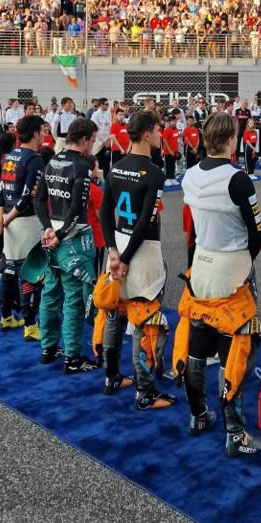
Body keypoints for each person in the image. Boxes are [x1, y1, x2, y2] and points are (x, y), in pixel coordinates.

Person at [177, 112, 261, 456]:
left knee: (199, 343)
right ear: (231, 140)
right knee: (237, 348)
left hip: (202, 264)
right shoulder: (238, 179)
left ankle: (198, 414)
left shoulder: (189, 176)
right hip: (233, 267)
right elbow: (256, 232)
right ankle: (235, 432)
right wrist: (245, 260)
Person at [99, 109, 175, 408]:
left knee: (115, 314)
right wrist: (128, 256)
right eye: (158, 131)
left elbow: (105, 212)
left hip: (117, 245)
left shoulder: (116, 167)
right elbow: (146, 221)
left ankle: (112, 376)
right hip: (141, 253)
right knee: (144, 321)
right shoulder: (155, 172)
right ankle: (144, 392)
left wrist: (113, 251)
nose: (161, 135)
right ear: (146, 133)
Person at [35, 118, 101, 372]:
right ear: (84, 140)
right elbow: (77, 209)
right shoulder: (82, 166)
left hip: (52, 235)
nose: (92, 147)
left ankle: (48, 347)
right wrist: (60, 234)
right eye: (93, 141)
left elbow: (39, 199)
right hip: (72, 239)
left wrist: (48, 228)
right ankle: (73, 357)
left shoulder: (52, 160)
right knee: (73, 297)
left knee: (50, 292)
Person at [0, 114, 46, 338]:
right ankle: (30, 325)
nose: (45, 134)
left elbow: (0, 192)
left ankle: (6, 317)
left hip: (9, 222)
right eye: (43, 130)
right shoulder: (35, 160)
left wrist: (0, 219)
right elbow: (28, 197)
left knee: (8, 270)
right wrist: (7, 219)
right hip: (25, 222)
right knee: (30, 274)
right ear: (34, 133)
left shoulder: (11, 156)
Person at [161, 109, 181, 181]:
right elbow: (165, 140)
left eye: (175, 121)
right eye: (172, 121)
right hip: (168, 152)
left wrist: (176, 150)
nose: (174, 122)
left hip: (175, 150)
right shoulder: (167, 130)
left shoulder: (176, 129)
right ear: (169, 122)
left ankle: (172, 178)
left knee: (173, 165)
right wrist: (170, 151)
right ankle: (167, 179)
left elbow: (176, 140)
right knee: (168, 166)